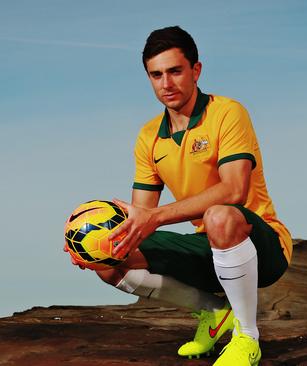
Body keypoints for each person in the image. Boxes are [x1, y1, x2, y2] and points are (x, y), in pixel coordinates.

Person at [65, 25, 292, 366]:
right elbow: (142, 216)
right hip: (209, 247)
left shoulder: (227, 113)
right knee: (109, 263)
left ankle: (247, 338)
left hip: (262, 246)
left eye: (175, 71)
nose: (166, 84)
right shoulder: (148, 137)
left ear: (196, 70)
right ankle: (215, 314)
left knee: (220, 215)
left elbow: (234, 190)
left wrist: (153, 218)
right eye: (156, 75)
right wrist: (97, 244)